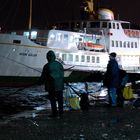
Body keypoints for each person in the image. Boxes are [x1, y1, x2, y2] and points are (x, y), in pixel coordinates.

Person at [37, 50, 64, 118]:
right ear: (54, 57)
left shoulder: (47, 66)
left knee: (53, 100)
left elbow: (43, 77)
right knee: (60, 100)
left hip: (51, 86)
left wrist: (39, 83)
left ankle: (54, 113)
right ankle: (61, 112)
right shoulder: (59, 64)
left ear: (48, 57)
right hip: (60, 86)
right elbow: (62, 74)